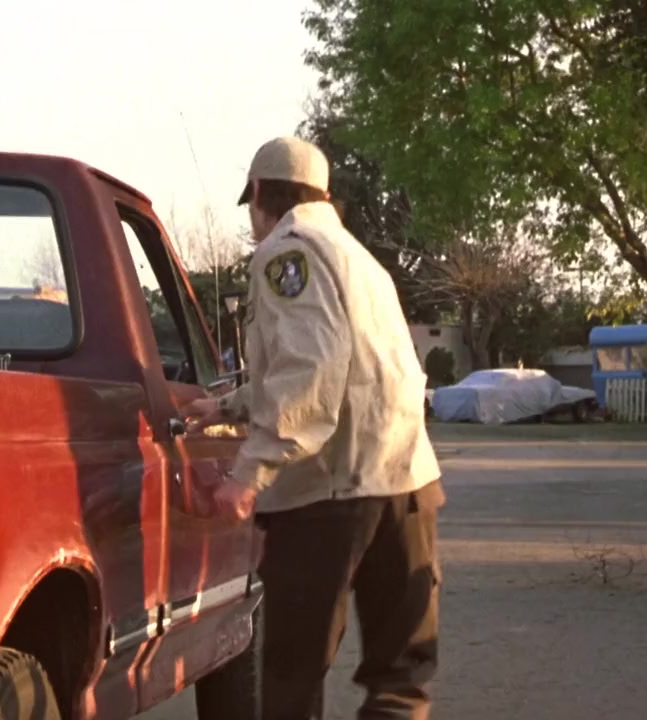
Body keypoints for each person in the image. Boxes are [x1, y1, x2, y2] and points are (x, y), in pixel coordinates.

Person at [184, 136, 444, 720]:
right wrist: (231, 405)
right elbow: (346, 368)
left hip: (328, 495)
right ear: (324, 196)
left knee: (293, 679)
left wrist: (249, 473)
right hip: (406, 483)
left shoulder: (287, 253)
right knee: (401, 680)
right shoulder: (357, 257)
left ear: (258, 195)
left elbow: (310, 371)